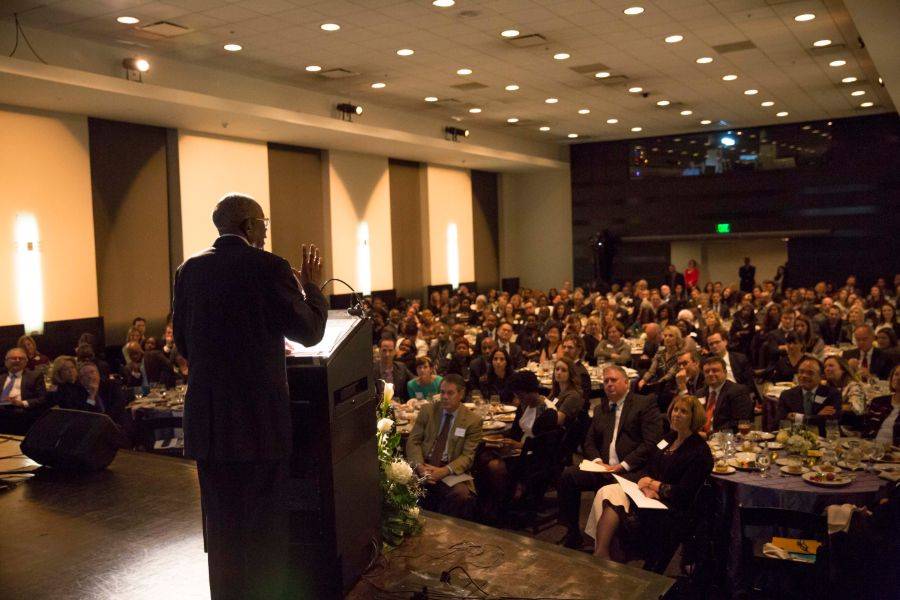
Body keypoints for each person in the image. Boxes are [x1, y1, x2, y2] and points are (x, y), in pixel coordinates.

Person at [172, 193, 328, 600]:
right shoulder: (269, 267)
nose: (266, 231)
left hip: (209, 425)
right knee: (264, 532)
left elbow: (184, 344)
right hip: (259, 425)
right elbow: (310, 331)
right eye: (263, 223)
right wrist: (311, 287)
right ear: (247, 227)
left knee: (222, 529)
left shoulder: (189, 270)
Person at [586, 395, 712, 565]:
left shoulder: (699, 450)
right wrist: (645, 486)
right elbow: (650, 467)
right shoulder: (669, 438)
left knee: (612, 504)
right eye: (675, 409)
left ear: (694, 417)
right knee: (606, 490)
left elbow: (684, 494)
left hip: (673, 507)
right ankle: (603, 553)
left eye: (684, 411)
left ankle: (603, 554)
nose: (677, 414)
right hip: (649, 495)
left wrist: (654, 486)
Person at [557, 365, 662, 549]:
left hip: (631, 470)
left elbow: (650, 443)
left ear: (626, 382)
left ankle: (611, 545)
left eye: (613, 380)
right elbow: (588, 441)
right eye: (606, 381)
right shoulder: (600, 409)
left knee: (608, 489)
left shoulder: (644, 404)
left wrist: (622, 465)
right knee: (568, 476)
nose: (609, 384)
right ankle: (572, 532)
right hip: (604, 468)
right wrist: (598, 462)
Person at [406, 374, 482, 520]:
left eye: (450, 393)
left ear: (461, 394)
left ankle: (446, 532)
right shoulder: (428, 411)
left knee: (461, 494)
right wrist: (420, 466)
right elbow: (413, 441)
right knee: (398, 484)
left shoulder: (473, 421)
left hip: (451, 470)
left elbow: (468, 456)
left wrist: (444, 471)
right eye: (442, 392)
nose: (445, 397)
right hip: (424, 463)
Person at [776, 356, 841, 430]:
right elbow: (779, 421)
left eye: (810, 373)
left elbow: (831, 421)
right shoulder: (787, 395)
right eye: (801, 372)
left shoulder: (832, 394)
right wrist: (817, 416)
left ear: (821, 376)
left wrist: (799, 418)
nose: (804, 376)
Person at [697, 357, 753, 436]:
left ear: (725, 372)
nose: (710, 374)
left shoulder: (738, 391)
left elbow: (739, 423)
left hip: (725, 440)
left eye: (715, 370)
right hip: (699, 438)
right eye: (707, 371)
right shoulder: (700, 393)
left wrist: (709, 435)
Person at [0, 347, 48, 434]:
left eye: (21, 358)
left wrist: (21, 403)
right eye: (13, 358)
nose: (17, 360)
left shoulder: (35, 376)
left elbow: (42, 399)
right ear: (6, 362)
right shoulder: (1, 377)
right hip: (2, 413)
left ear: (26, 362)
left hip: (23, 414)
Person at [862, 364, 900, 446]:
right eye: (896, 374)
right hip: (871, 451)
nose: (898, 378)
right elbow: (865, 430)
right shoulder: (878, 402)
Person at [550, 357, 586, 427]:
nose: (559, 373)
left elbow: (559, 420)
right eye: (557, 369)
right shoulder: (556, 391)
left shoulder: (573, 395)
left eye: (563, 370)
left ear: (570, 374)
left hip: (559, 432)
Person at [374, 336, 413, 401]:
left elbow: (415, 380)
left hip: (398, 407)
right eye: (384, 350)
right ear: (379, 351)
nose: (387, 354)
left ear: (395, 351)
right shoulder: (372, 370)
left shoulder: (401, 367)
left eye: (390, 350)